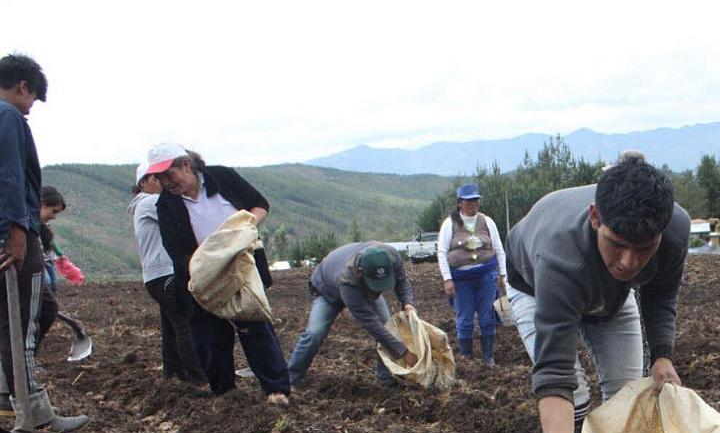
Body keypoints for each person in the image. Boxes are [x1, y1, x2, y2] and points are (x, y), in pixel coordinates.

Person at [505, 152, 690, 433]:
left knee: (627, 394)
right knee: (576, 392)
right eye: (617, 244)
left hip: (611, 295)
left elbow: (661, 295)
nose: (629, 262)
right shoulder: (560, 256)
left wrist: (662, 354)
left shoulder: (674, 229)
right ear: (595, 218)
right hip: (537, 288)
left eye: (644, 248)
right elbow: (554, 374)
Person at [144, 142, 290, 405]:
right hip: (203, 276)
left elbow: (259, 204)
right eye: (160, 178)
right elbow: (175, 249)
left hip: (242, 270)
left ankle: (276, 390)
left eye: (169, 174)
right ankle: (224, 394)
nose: (166, 182)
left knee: (255, 328)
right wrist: (207, 264)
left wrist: (244, 229)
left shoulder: (222, 177)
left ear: (186, 164)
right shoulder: (166, 203)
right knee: (210, 337)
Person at [0, 53, 89, 433]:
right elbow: (9, 177)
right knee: (24, 323)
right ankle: (34, 414)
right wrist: (17, 231)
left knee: (11, 322)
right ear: (23, 87)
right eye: (33, 98)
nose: (30, 107)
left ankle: (7, 400)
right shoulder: (8, 116)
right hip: (14, 235)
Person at [287, 241, 418, 386]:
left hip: (359, 287)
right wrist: (403, 352)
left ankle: (387, 379)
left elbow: (402, 281)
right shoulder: (347, 280)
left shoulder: (391, 256)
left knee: (388, 328)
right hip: (327, 291)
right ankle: (291, 378)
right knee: (314, 333)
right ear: (361, 272)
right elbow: (372, 325)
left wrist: (407, 303)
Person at [130, 164, 205, 383]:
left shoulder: (141, 205)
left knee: (172, 327)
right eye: (157, 179)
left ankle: (173, 374)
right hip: (165, 273)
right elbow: (186, 216)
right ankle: (199, 377)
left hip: (156, 277)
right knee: (185, 324)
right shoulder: (150, 202)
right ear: (144, 182)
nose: (163, 183)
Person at [437, 183, 506, 366]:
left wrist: (503, 274)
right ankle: (466, 357)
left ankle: (488, 357)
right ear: (460, 203)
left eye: (476, 200)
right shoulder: (449, 224)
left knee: (487, 316)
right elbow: (442, 252)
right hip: (461, 279)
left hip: (486, 276)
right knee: (465, 319)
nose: (473, 204)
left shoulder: (487, 222)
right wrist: (447, 279)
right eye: (469, 201)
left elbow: (498, 249)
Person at [33, 187, 88, 351]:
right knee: (46, 296)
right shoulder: (27, 227)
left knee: (51, 290)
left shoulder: (42, 227)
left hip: (45, 263)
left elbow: (51, 244)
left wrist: (61, 257)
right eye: (53, 211)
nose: (54, 216)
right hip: (35, 268)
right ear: (42, 204)